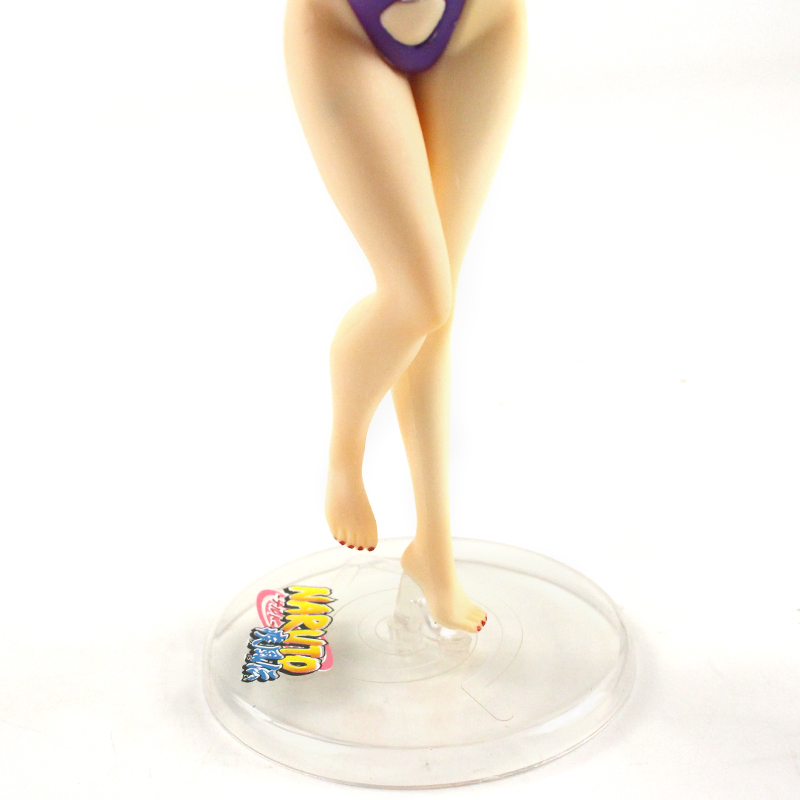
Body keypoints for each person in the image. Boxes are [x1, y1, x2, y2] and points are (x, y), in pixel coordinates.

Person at [283, 0, 527, 633]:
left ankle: (434, 556)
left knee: (437, 312)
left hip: (480, 21)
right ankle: (346, 446)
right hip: (341, 25)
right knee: (417, 296)